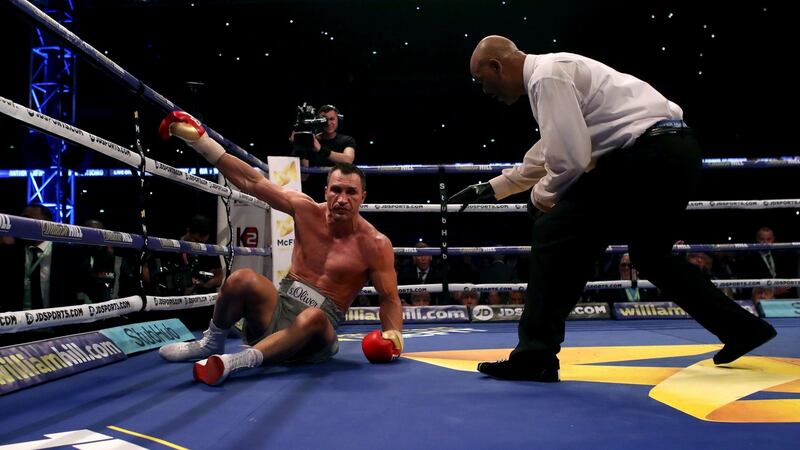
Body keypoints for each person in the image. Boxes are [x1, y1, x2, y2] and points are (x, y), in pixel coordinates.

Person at [450, 35, 776, 382]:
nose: (485, 91)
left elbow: (569, 160)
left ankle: (535, 355)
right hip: (678, 151)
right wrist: (495, 187)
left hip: (644, 156)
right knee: (651, 255)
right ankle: (743, 329)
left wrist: (541, 199)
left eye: (482, 80)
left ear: (497, 66)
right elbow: (551, 147)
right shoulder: (557, 71)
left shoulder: (545, 76)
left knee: (552, 232)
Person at [156, 111, 403, 385]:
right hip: (279, 309)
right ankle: (211, 344)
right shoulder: (305, 210)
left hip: (317, 334)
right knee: (241, 279)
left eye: (351, 192)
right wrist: (202, 143)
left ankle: (235, 363)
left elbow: (389, 298)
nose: (342, 199)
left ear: (363, 197)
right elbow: (254, 181)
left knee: (313, 316)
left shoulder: (375, 244)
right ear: (325, 191)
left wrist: (393, 337)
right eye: (336, 190)